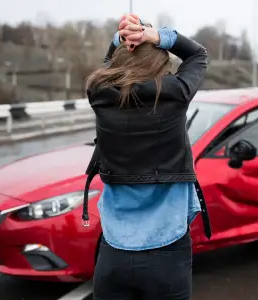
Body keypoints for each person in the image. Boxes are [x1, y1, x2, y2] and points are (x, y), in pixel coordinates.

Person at [82, 14, 212, 300]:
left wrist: (123, 37)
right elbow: (198, 55)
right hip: (167, 252)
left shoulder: (99, 94)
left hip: (113, 251)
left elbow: (108, 63)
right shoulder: (175, 93)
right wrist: (155, 36)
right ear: (162, 67)